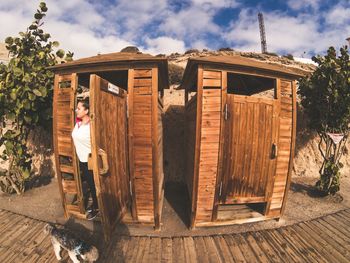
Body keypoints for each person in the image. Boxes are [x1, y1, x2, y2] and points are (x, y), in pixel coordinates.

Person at [71, 98, 99, 220]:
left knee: (94, 184)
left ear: (86, 110)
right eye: (77, 108)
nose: (76, 110)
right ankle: (95, 203)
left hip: (89, 160)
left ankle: (97, 207)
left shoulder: (91, 126)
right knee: (89, 183)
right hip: (80, 159)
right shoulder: (78, 123)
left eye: (79, 108)